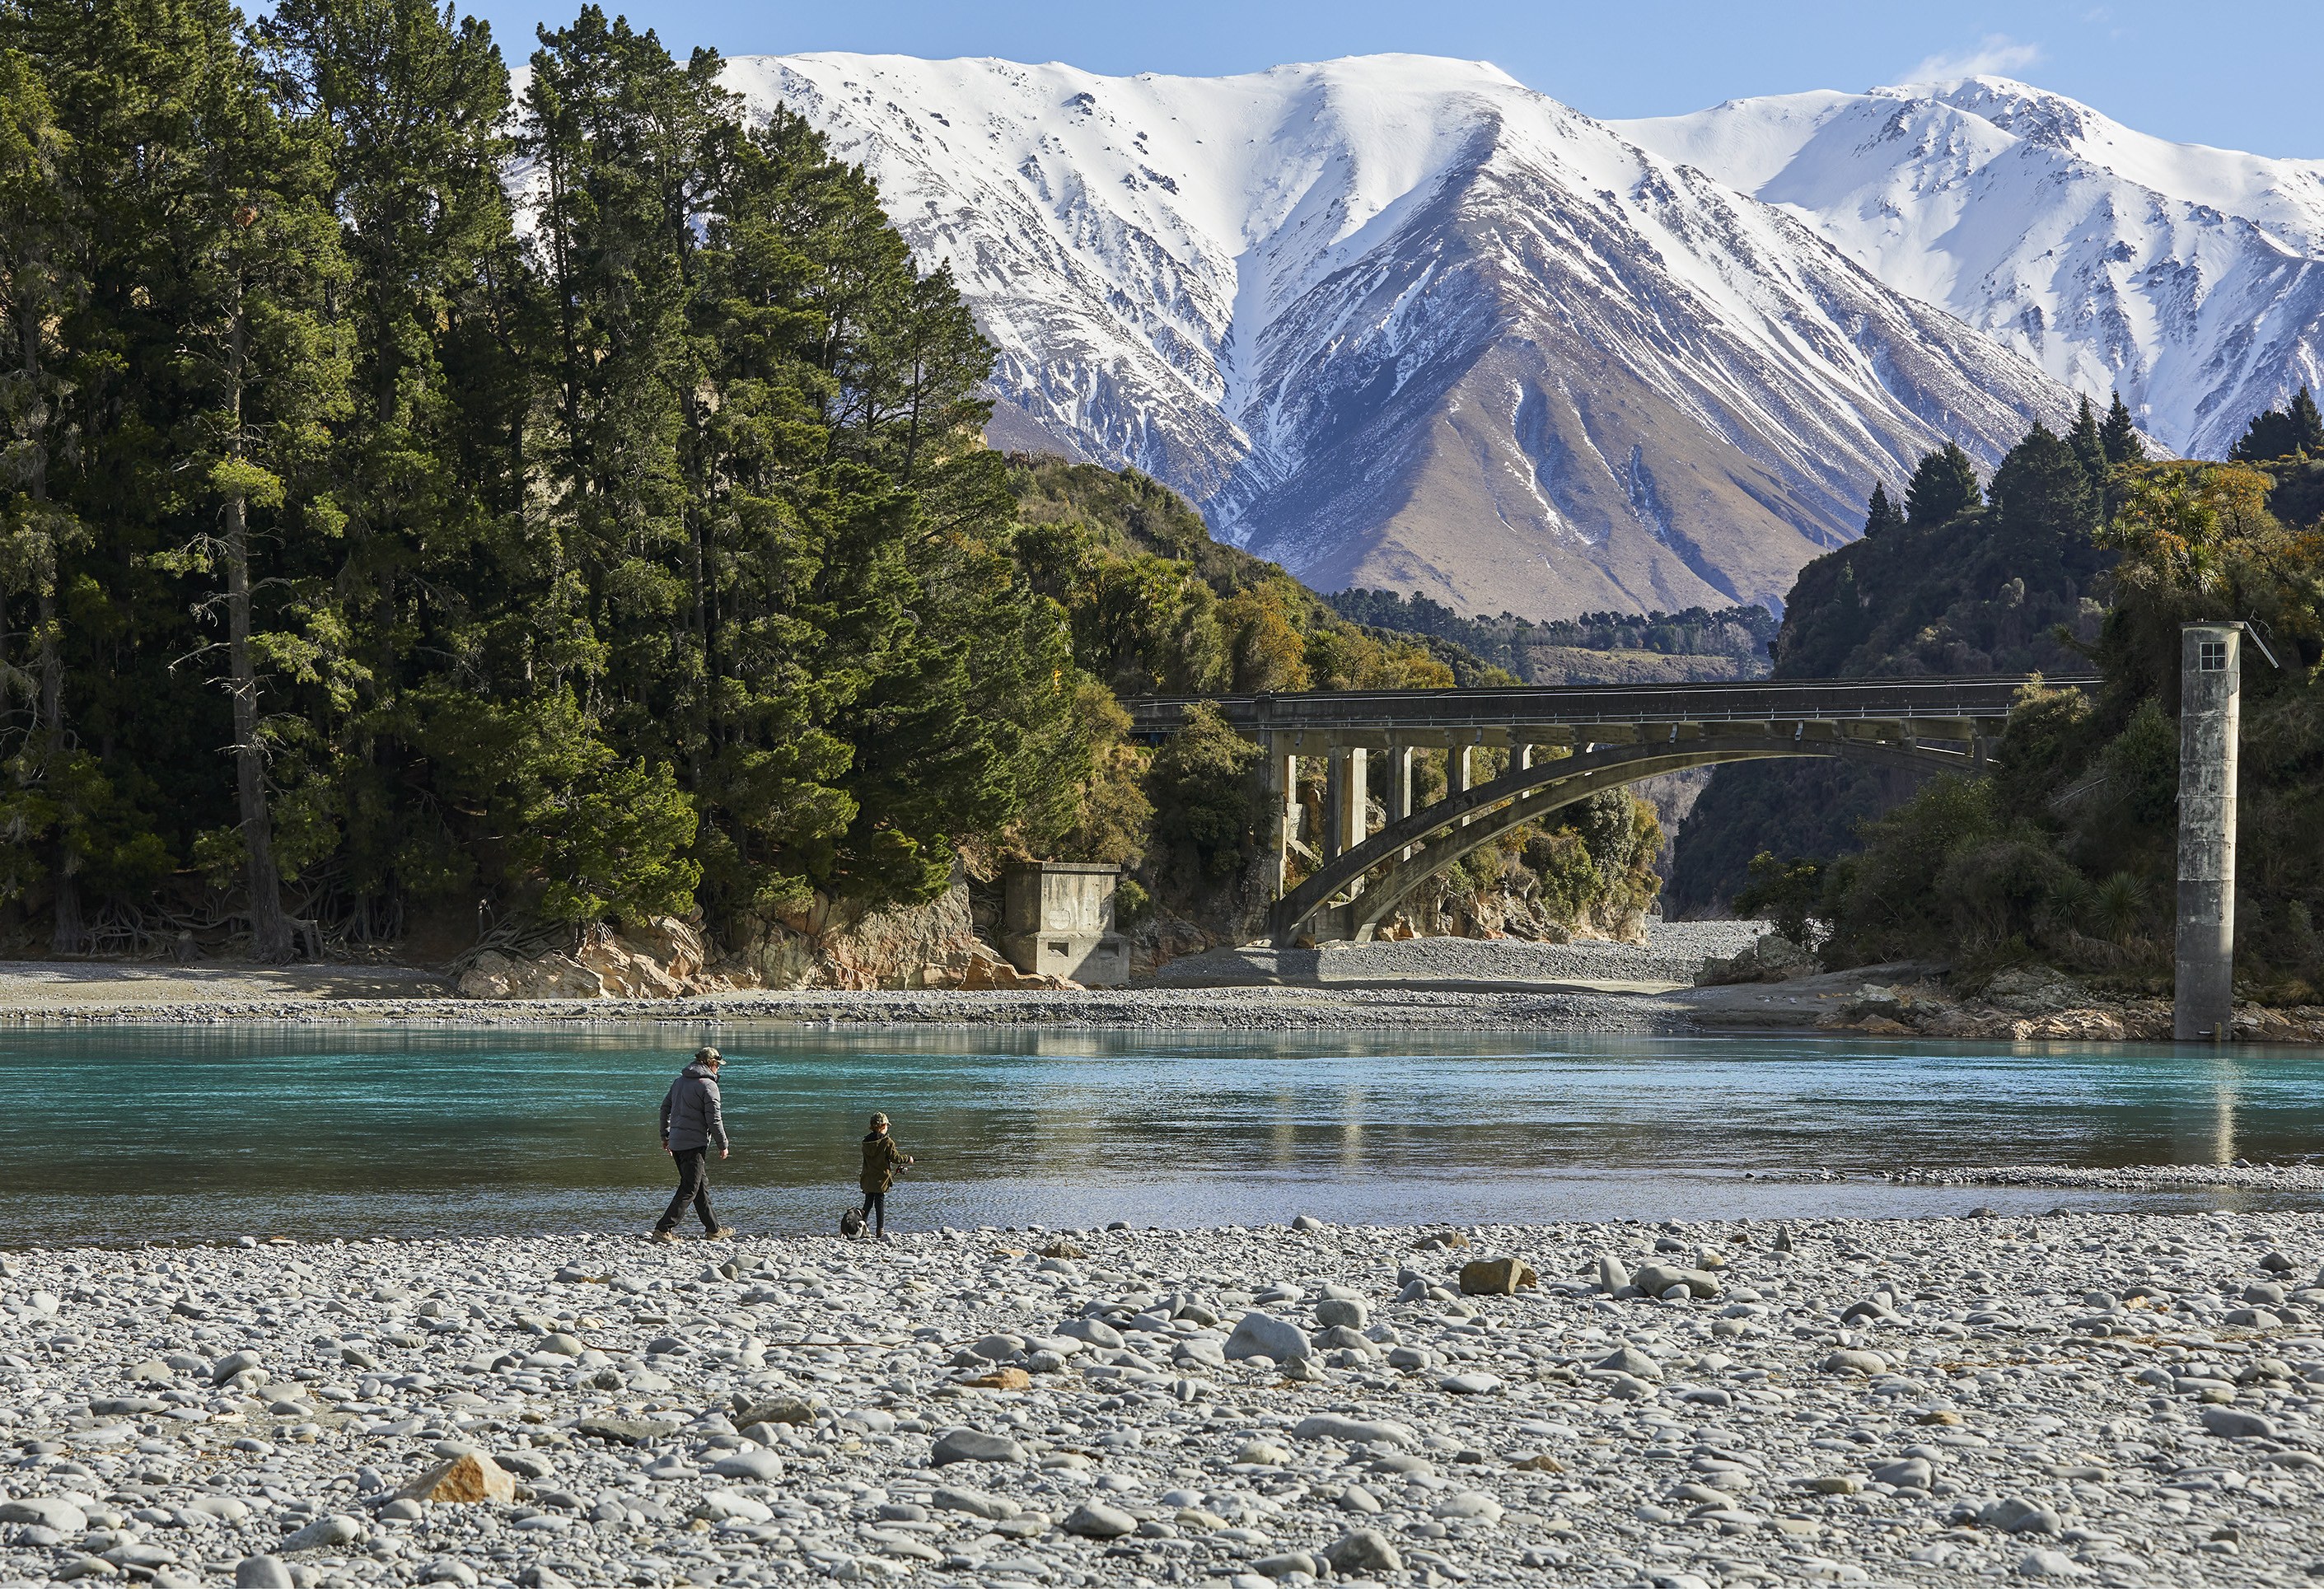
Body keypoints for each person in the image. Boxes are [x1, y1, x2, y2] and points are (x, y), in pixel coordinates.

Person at [654, 1046, 734, 1242]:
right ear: (710, 1064)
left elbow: (665, 1109)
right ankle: (663, 1229)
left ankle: (714, 1229)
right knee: (690, 1188)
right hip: (694, 1144)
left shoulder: (679, 1082)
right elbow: (714, 1119)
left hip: (677, 1142)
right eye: (717, 1065)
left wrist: (665, 1136)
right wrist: (723, 1144)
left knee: (700, 1187)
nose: (718, 1069)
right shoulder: (708, 1086)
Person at [857, 1112, 913, 1238]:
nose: (887, 1127)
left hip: (867, 1178)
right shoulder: (887, 1142)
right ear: (882, 1126)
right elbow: (896, 1158)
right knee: (879, 1204)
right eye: (887, 1125)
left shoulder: (865, 1142)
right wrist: (908, 1159)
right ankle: (879, 1231)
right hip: (881, 1179)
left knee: (868, 1203)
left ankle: (861, 1228)